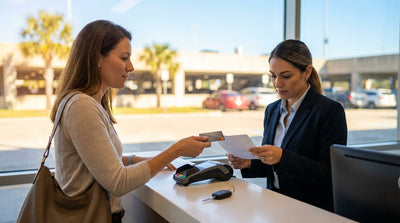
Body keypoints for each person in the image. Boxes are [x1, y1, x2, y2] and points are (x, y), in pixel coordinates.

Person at [49, 20, 211, 223]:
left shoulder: (86, 102)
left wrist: (132, 159)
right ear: (97, 58)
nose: (131, 67)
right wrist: (176, 150)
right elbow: (118, 182)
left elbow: (95, 160)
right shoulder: (82, 106)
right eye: (124, 58)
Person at [227, 39, 347, 211]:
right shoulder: (272, 110)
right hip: (274, 203)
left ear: (307, 72)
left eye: (286, 76)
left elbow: (329, 173)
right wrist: (249, 163)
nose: (277, 83)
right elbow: (273, 164)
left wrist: (283, 157)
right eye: (273, 76)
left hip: (310, 210)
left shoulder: (329, 111)